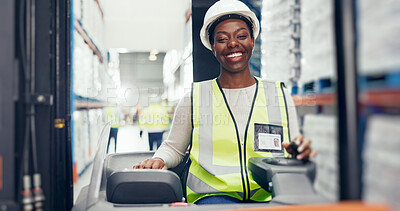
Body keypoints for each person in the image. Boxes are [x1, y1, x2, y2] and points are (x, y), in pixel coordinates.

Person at [134, 0, 316, 204]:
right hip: (213, 199)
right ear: (212, 46)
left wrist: (300, 152)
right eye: (222, 39)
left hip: (270, 196)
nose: (232, 44)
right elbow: (174, 148)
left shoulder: (279, 95)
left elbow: (295, 146)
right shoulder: (195, 98)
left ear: (253, 41)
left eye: (241, 36)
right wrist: (159, 159)